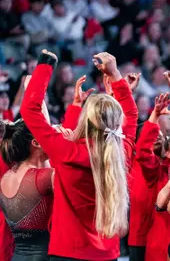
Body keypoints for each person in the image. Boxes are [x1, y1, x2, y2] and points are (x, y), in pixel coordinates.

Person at [20, 50, 138, 261]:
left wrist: (46, 65)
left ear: (86, 119)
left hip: (68, 252)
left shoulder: (67, 152)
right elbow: (131, 114)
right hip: (107, 254)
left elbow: (30, 110)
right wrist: (116, 76)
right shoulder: (121, 153)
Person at [0, 119, 52, 261]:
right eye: (48, 136)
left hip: (17, 256)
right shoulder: (45, 177)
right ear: (35, 143)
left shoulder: (6, 178)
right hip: (43, 256)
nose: (53, 139)